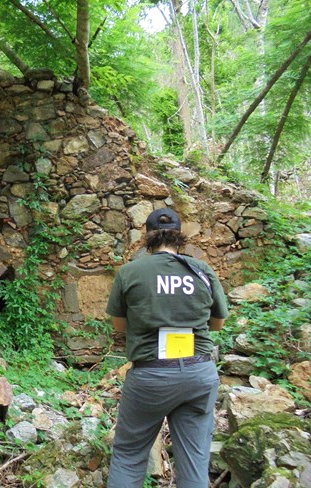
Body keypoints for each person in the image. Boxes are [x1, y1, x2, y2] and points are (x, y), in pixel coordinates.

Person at [105, 208, 229, 488]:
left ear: (147, 237)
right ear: (179, 237)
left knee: (129, 454)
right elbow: (218, 323)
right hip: (199, 372)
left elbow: (120, 325)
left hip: (151, 375)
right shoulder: (202, 270)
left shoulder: (131, 271)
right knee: (195, 462)